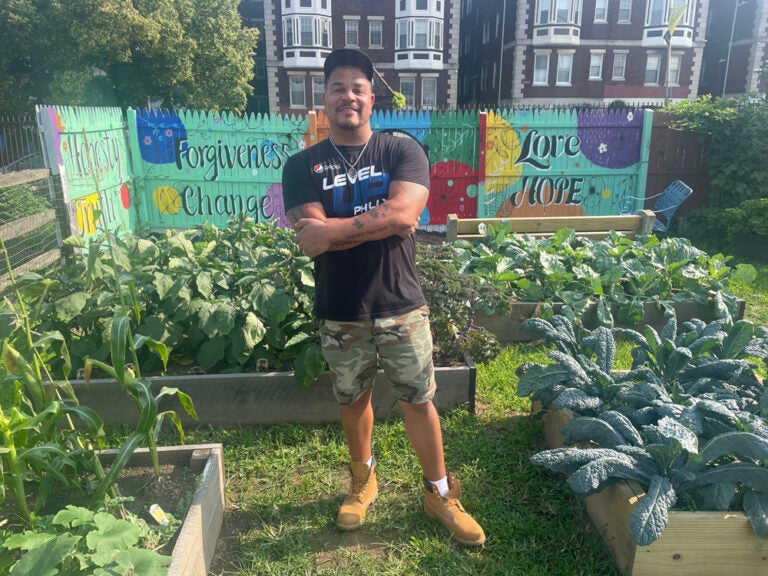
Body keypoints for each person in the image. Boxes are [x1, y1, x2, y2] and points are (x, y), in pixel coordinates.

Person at [280, 48, 485, 547]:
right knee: (352, 399)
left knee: (420, 400)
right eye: (337, 87)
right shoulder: (301, 165)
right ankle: (362, 479)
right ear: (323, 99)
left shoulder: (401, 150)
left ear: (372, 99)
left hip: (401, 303)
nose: (347, 95)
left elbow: (403, 216)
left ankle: (439, 492)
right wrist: (367, 224)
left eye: (357, 88)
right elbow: (311, 234)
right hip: (340, 308)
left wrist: (337, 230)